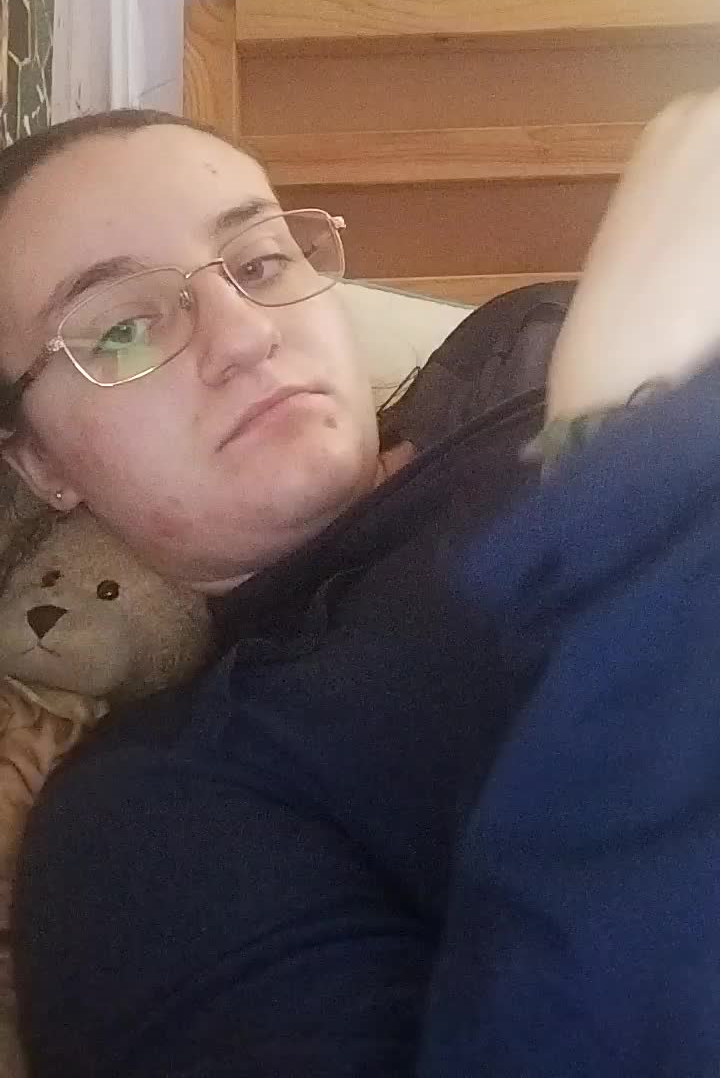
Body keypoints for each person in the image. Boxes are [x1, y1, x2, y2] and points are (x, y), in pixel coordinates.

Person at [2, 101, 720, 1077]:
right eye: (123, 328)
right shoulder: (146, 821)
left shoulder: (513, 381)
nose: (246, 334)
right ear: (41, 463)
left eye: (261, 264)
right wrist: (622, 468)